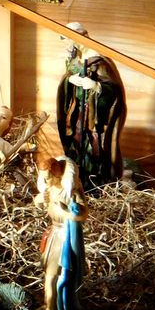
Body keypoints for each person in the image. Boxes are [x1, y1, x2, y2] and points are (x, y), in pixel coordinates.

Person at [56, 22, 126, 191]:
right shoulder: (75, 59)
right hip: (77, 114)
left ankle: (95, 184)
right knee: (76, 144)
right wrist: (69, 80)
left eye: (68, 39)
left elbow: (114, 91)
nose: (67, 44)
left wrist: (96, 87)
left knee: (94, 147)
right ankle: (78, 180)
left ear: (81, 36)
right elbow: (67, 78)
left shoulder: (100, 61)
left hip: (95, 119)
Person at [34, 155, 87, 310]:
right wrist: (39, 200)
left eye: (48, 177)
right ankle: (49, 303)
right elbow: (41, 204)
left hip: (64, 236)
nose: (45, 181)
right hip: (53, 234)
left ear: (57, 173)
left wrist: (66, 211)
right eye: (43, 178)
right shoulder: (50, 189)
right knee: (48, 273)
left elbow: (83, 214)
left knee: (52, 275)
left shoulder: (71, 191)